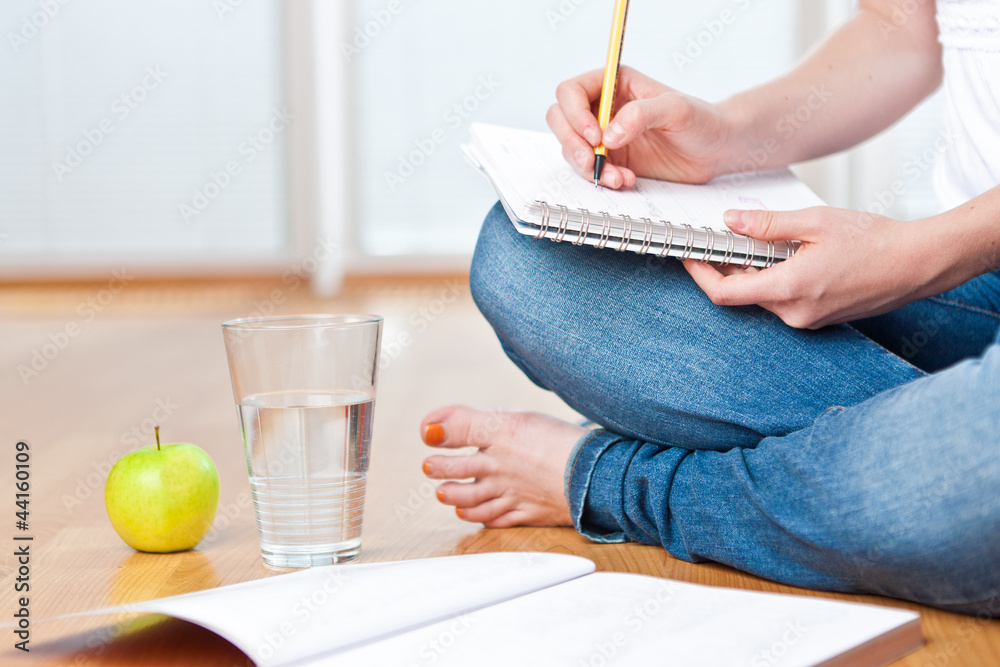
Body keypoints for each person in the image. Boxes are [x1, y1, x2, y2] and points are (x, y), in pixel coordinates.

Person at [420, 0, 1000, 615]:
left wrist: (916, 253)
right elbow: (902, 32)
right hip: (979, 273)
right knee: (530, 263)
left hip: (949, 252)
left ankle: (624, 482)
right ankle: (908, 470)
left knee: (970, 452)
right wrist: (727, 136)